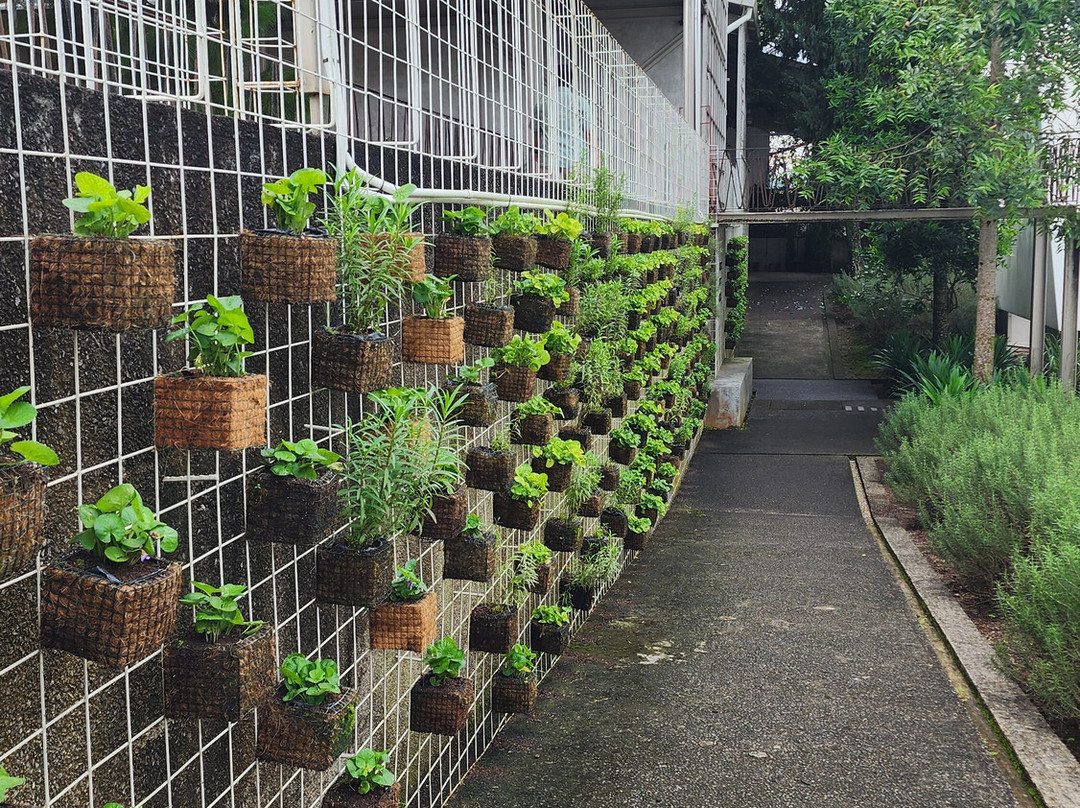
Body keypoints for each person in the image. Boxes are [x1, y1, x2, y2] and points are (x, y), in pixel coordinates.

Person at [533, 62, 593, 178]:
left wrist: (536, 152)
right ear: (570, 80)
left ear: (554, 78)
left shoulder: (543, 101)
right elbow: (589, 133)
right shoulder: (580, 102)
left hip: (548, 158)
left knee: (547, 194)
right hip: (575, 158)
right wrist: (595, 154)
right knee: (575, 194)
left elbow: (536, 132)